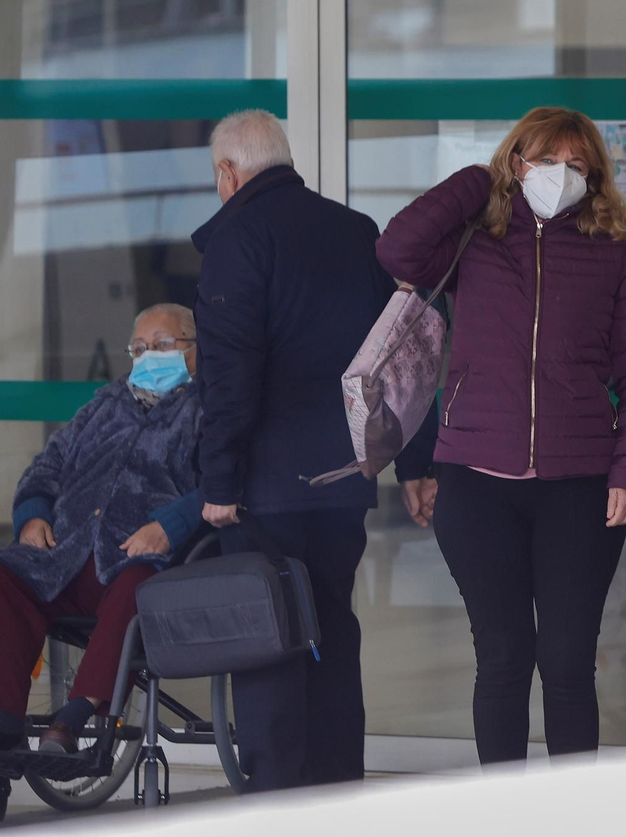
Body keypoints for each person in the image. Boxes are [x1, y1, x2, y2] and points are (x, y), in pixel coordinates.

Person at [379, 107, 626, 767]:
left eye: (576, 165)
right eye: (546, 161)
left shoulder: (614, 252)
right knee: (504, 657)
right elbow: (395, 248)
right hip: (478, 485)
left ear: (593, 174)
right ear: (517, 163)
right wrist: (475, 185)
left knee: (567, 662)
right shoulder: (473, 241)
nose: (560, 175)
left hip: (581, 488)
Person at [192, 109, 435, 791]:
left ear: (227, 173)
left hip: (265, 487)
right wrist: (417, 464)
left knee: (268, 644)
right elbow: (402, 359)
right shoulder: (355, 232)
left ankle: (278, 805)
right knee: (330, 629)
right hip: (341, 482)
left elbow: (229, 377)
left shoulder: (236, 240)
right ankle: (336, 793)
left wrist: (220, 480)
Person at [0, 304, 204, 755]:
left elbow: (221, 486)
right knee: (5, 575)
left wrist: (168, 526)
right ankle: (0, 726)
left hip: (140, 558)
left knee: (138, 585)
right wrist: (34, 514)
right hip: (70, 554)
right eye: (140, 348)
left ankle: (73, 719)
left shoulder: (208, 410)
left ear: (195, 351)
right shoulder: (105, 405)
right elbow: (48, 464)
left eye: (163, 345)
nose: (149, 355)